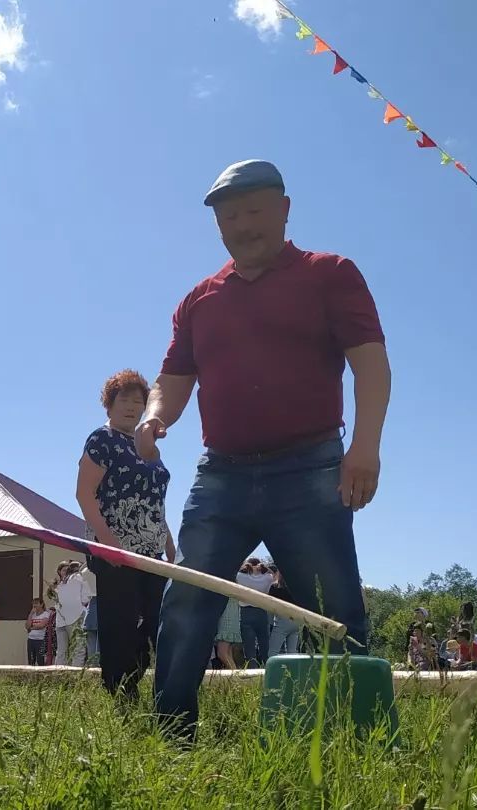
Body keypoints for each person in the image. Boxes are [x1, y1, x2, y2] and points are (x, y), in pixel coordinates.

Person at [143, 159, 391, 738]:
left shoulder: (330, 274)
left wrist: (366, 446)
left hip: (310, 468)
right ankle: (171, 733)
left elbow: (371, 363)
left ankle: (352, 737)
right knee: (188, 600)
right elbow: (174, 378)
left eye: (254, 210)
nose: (242, 224)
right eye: (229, 216)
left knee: (334, 612)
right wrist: (154, 419)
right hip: (219, 476)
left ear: (284, 209)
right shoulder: (199, 299)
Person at [76, 369, 175, 700]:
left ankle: (134, 680)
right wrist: (108, 542)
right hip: (114, 548)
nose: (132, 407)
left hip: (151, 551)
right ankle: (119, 694)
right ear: (109, 404)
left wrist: (170, 544)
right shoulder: (101, 440)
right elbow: (84, 494)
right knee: (119, 623)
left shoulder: (149, 450)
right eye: (124, 400)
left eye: (138, 402)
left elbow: (154, 502)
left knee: (155, 623)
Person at [51, 561, 91, 666]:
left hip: (60, 620)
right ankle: (76, 676)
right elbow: (86, 598)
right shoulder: (80, 579)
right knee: (78, 650)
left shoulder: (60, 584)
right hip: (76, 617)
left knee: (61, 651)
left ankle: (59, 676)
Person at [236, 559, 274, 667]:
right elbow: (274, 576)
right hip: (262, 612)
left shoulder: (240, 576)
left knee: (249, 650)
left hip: (246, 612)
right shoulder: (267, 578)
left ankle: (253, 673)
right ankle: (267, 670)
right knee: (265, 647)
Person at [267, 565, 299, 656]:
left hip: (282, 620)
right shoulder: (296, 587)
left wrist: (270, 622)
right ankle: (293, 670)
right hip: (297, 620)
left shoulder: (275, 587)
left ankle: (273, 670)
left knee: (273, 652)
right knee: (292, 652)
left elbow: (270, 605)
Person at [26, 597, 51, 666]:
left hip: (40, 640)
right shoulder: (33, 615)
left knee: (40, 659)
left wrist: (31, 628)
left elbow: (41, 625)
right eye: (33, 604)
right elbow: (27, 626)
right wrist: (30, 614)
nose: (34, 605)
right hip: (31, 640)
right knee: (31, 660)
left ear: (42, 604)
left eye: (36, 603)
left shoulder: (46, 614)